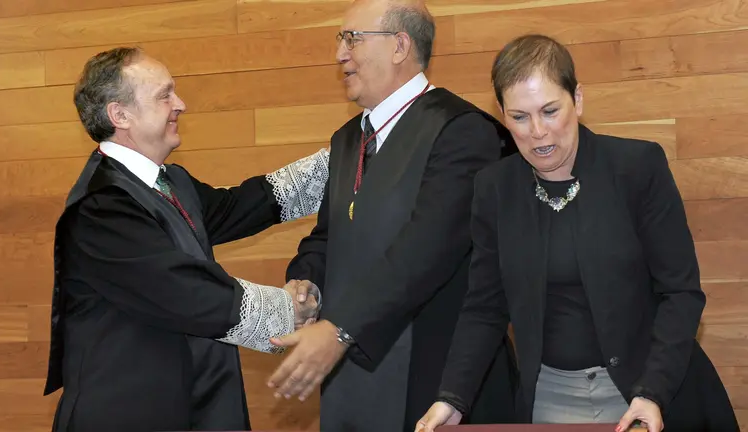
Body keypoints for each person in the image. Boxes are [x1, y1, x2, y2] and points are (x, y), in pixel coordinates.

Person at [416, 34, 739, 432]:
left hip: (651, 388)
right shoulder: (494, 189)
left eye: (550, 111)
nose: (537, 131)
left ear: (578, 100)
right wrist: (452, 397)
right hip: (550, 398)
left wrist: (652, 391)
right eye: (519, 117)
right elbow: (485, 307)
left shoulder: (637, 168)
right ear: (502, 115)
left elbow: (681, 293)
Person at [43, 47, 329, 432]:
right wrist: (288, 311)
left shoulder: (171, 182)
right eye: (165, 94)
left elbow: (243, 206)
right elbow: (183, 291)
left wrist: (337, 163)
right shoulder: (101, 206)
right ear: (120, 115)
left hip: (194, 405)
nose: (181, 104)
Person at [264, 1, 519, 431]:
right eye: (340, 39)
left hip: (436, 378)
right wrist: (306, 281)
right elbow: (330, 235)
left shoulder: (462, 131)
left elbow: (426, 249)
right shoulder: (347, 139)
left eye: (352, 38)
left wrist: (341, 330)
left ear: (400, 45)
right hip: (354, 378)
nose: (340, 53)